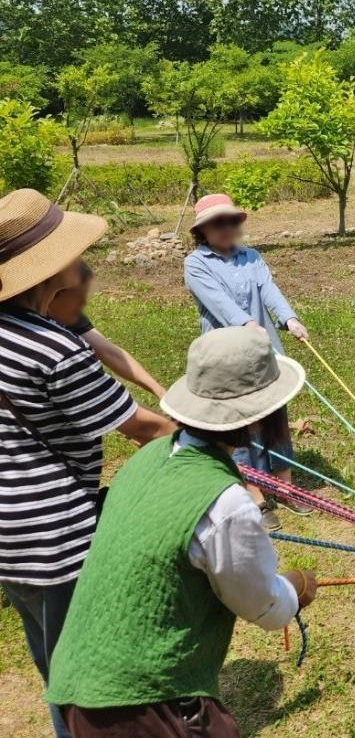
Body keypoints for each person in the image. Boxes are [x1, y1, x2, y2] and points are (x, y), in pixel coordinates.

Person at [47, 325, 318, 737]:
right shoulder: (226, 503)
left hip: (75, 684)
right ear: (263, 415)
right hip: (141, 704)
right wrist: (296, 589)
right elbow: (262, 605)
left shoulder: (150, 456)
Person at [0, 189, 175, 738]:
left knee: (52, 658)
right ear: (52, 272)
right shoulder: (55, 349)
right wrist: (208, 444)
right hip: (56, 535)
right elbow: (139, 428)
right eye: (76, 256)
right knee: (85, 670)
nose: (85, 265)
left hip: (9, 532)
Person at [184, 193, 310, 531]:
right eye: (216, 224)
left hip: (264, 351)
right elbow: (220, 303)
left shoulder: (251, 257)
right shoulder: (196, 264)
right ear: (203, 231)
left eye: (230, 222)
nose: (225, 229)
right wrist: (248, 325)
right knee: (241, 424)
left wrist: (289, 319)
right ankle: (253, 494)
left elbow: (269, 291)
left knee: (275, 418)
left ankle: (284, 483)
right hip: (229, 357)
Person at [47, 261, 167, 399]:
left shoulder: (62, 312)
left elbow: (109, 352)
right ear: (54, 294)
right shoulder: (42, 339)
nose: (83, 305)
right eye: (78, 298)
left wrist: (160, 391)